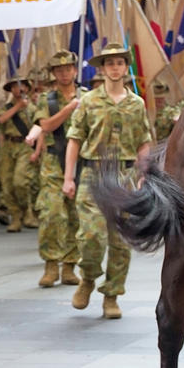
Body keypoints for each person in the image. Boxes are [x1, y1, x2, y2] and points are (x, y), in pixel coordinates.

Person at [62, 43, 151, 319]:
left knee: (121, 242)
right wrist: (68, 178)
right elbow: (74, 140)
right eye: (109, 63)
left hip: (124, 177)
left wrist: (143, 177)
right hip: (93, 175)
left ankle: (111, 295)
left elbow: (144, 143)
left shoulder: (136, 104)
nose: (115, 68)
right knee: (90, 236)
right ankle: (88, 277)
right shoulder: (89, 101)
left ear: (126, 68)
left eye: (120, 63)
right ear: (102, 68)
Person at [30, 50, 83, 288]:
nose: (64, 73)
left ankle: (70, 266)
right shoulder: (46, 100)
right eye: (59, 70)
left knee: (75, 216)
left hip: (80, 162)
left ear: (74, 70)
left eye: (68, 68)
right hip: (52, 164)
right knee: (52, 214)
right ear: (54, 74)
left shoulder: (89, 97)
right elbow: (47, 126)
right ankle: (51, 264)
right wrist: (70, 108)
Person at [0, 76, 37, 232]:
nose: (18, 89)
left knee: (20, 181)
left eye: (20, 86)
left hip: (24, 146)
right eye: (13, 87)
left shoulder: (33, 108)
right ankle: (16, 216)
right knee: (6, 184)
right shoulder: (6, 108)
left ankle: (28, 211)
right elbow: (0, 120)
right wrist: (17, 107)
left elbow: (40, 128)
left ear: (27, 88)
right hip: (8, 146)